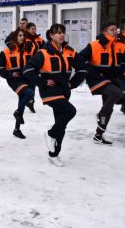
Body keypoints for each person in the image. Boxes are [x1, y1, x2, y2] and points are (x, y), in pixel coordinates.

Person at [24, 24, 87, 167]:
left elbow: (83, 68)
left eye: (63, 32)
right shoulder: (44, 52)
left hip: (64, 91)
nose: (61, 35)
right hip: (50, 92)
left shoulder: (70, 52)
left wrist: (72, 83)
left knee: (62, 125)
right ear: (51, 36)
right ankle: (51, 134)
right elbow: (28, 70)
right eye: (57, 33)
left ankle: (54, 154)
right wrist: (43, 82)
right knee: (70, 111)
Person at [79, 22, 125, 145]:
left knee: (109, 107)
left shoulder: (121, 45)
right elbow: (80, 59)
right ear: (104, 32)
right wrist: (91, 72)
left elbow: (123, 62)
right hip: (97, 78)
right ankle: (101, 114)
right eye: (111, 29)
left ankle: (99, 135)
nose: (115, 31)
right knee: (117, 93)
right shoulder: (94, 45)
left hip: (112, 79)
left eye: (116, 29)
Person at [0, 28, 36, 139]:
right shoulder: (6, 51)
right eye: (19, 35)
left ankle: (17, 129)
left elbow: (37, 62)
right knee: (29, 94)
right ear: (14, 38)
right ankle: (17, 113)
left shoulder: (30, 49)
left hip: (27, 78)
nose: (22, 37)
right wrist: (10, 74)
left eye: (23, 35)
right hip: (15, 79)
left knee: (22, 100)